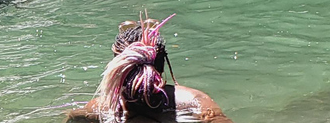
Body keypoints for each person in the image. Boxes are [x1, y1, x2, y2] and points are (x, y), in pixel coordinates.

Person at [66, 14, 233, 123]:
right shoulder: (194, 102)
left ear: (116, 69)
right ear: (160, 67)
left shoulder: (97, 109)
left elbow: (71, 118)